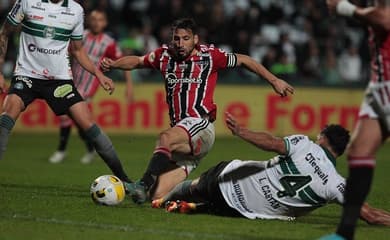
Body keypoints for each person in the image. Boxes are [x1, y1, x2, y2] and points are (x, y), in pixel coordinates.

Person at [100, 18, 294, 204]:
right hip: (186, 140)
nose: (180, 43)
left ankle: (141, 183)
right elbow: (138, 61)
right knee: (156, 195)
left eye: (185, 38)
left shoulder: (209, 56)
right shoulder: (164, 56)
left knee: (165, 138)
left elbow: (243, 59)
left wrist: (274, 80)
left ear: (195, 39)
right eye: (176, 38)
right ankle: (206, 193)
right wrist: (114, 64)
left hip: (200, 125)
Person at [151, 113, 390, 227]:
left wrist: (242, 132)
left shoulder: (305, 144)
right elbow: (369, 215)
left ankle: (162, 200)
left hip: (228, 180)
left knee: (194, 186)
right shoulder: (337, 184)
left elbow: (272, 143)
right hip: (245, 212)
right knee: (214, 207)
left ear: (322, 137)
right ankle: (193, 208)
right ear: (340, 152)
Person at [0, 0, 132, 184]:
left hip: (59, 80)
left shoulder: (76, 10)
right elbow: (4, 33)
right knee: (7, 115)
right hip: (26, 75)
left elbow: (78, 51)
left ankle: (125, 181)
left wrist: (98, 74)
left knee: (89, 125)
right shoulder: (28, 2)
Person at [320, 1, 390, 239]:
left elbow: (385, 18)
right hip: (381, 85)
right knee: (359, 151)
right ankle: (344, 234)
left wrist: (344, 8)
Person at [48, 9, 134, 164]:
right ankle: (89, 149)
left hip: (89, 86)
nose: (96, 22)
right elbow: (64, 53)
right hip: (72, 81)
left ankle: (62, 150)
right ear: (89, 21)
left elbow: (122, 62)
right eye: (93, 19)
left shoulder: (109, 42)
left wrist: (129, 86)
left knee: (68, 116)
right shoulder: (80, 36)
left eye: (100, 19)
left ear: (105, 23)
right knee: (77, 121)